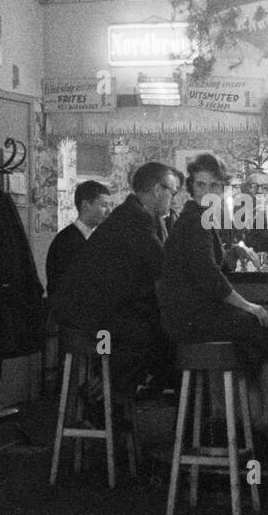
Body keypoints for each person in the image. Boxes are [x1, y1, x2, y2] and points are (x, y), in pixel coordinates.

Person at [159, 154, 268, 451]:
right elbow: (209, 280)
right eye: (202, 184)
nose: (208, 190)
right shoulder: (196, 221)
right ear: (191, 187)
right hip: (193, 320)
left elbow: (209, 267)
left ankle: (261, 417)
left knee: (259, 329)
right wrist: (249, 306)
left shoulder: (200, 218)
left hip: (188, 317)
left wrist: (230, 254)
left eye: (215, 185)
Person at [50, 163, 177, 397]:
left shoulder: (133, 215)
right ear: (158, 190)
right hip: (88, 323)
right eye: (172, 191)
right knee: (151, 336)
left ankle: (114, 403)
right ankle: (100, 401)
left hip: (89, 313)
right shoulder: (136, 219)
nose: (174, 198)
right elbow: (164, 268)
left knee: (153, 331)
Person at [46, 180, 112, 297]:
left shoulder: (92, 238)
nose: (109, 211)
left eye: (110, 206)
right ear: (86, 206)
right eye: (103, 205)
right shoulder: (66, 242)